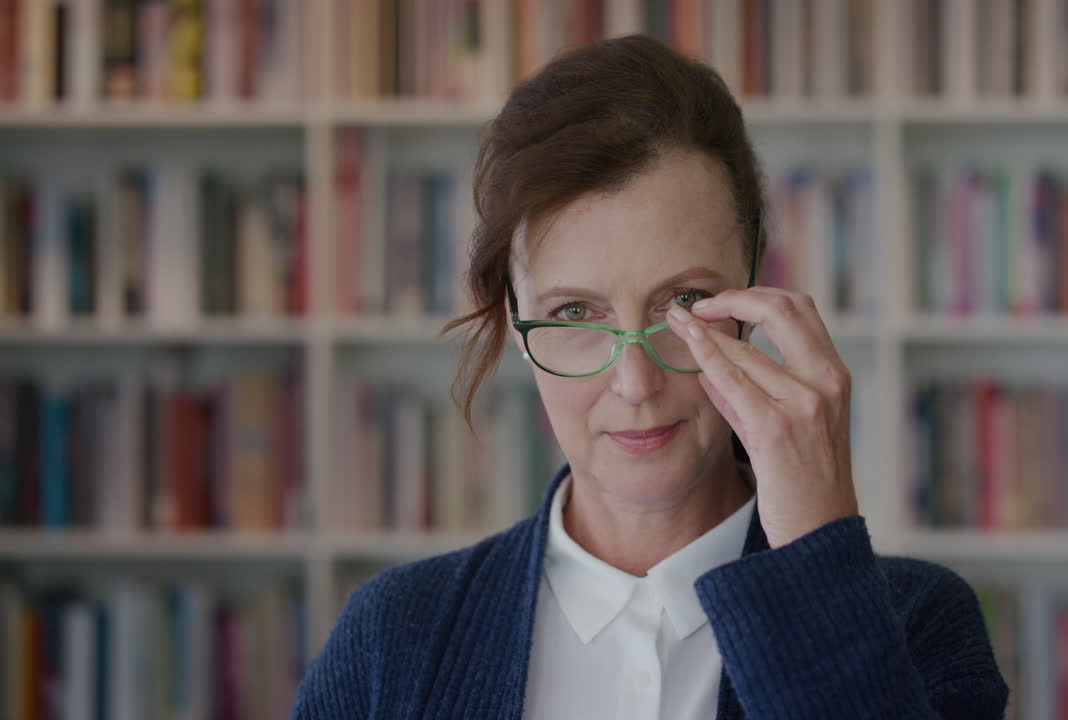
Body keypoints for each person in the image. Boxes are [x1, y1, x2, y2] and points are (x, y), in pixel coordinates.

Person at [292, 34, 1009, 719]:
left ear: (754, 286)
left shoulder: (921, 626)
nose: (635, 383)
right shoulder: (390, 636)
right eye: (575, 312)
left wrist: (817, 568)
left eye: (685, 302)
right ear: (514, 321)